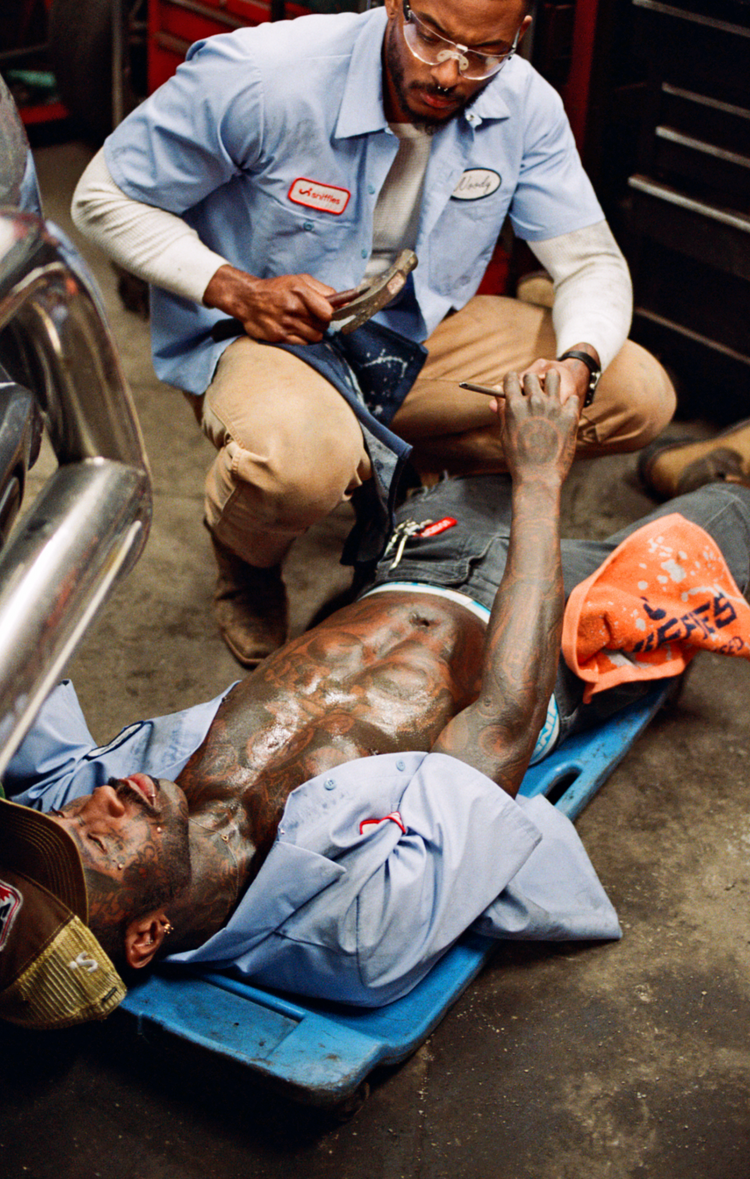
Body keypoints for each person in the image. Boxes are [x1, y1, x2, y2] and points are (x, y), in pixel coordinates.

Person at [3, 369, 748, 1030]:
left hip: (417, 558)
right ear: (146, 934)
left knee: (527, 405)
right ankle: (717, 473)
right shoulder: (358, 930)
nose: (101, 802)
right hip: (553, 633)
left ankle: (669, 461)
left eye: (65, 819)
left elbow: (18, 671)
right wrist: (540, 480)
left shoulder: (79, 802)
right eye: (100, 841)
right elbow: (502, 720)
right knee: (730, 517)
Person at [71, 0, 676, 667]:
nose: (450, 72)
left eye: (484, 53)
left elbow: (589, 260)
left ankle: (405, 471)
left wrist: (578, 361)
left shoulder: (525, 105)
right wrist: (233, 288)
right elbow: (101, 196)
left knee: (634, 392)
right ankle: (247, 562)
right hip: (269, 336)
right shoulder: (266, 77)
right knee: (301, 465)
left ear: (519, 33)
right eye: (431, 36)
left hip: (409, 340)